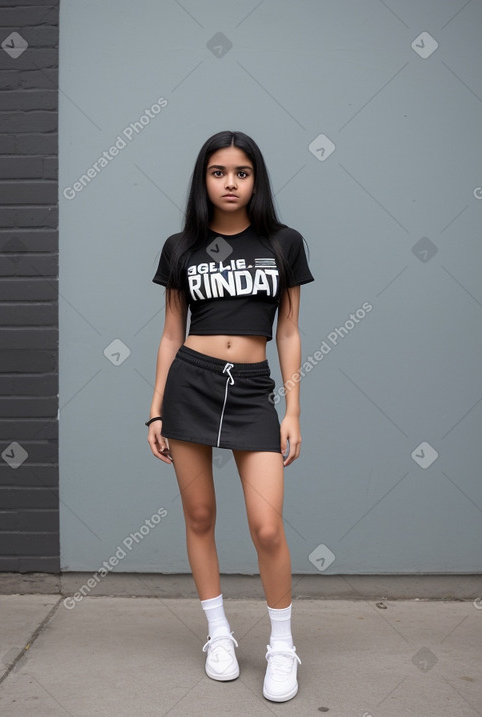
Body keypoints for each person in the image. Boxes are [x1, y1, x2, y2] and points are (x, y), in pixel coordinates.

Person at [147, 130, 314, 702]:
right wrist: (154, 410)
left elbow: (288, 329)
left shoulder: (283, 243)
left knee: (267, 526)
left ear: (256, 179)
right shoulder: (181, 248)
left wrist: (293, 407)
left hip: (251, 390)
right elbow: (172, 333)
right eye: (219, 172)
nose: (230, 183)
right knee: (199, 514)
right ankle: (219, 635)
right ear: (204, 180)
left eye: (242, 173)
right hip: (189, 385)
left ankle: (282, 646)